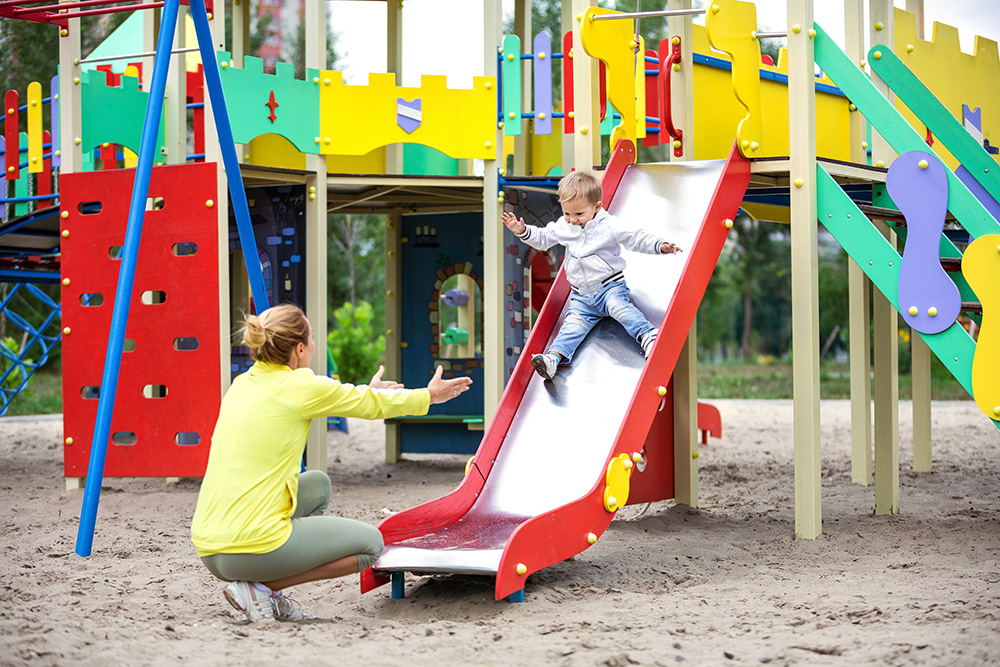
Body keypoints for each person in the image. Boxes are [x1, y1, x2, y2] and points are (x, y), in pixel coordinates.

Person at [190, 304, 472, 622]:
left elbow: (356, 398)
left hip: (209, 543)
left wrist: (368, 391)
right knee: (370, 546)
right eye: (311, 338)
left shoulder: (242, 383)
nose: (314, 345)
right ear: (299, 349)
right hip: (247, 545)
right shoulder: (302, 386)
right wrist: (429, 396)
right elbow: (366, 404)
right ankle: (263, 589)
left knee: (318, 485)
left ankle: (261, 588)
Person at [501, 170, 682, 381]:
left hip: (609, 288)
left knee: (621, 309)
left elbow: (636, 238)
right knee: (571, 327)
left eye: (578, 214)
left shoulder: (610, 226)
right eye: (567, 213)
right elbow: (542, 239)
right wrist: (522, 230)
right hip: (581, 298)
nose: (572, 219)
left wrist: (660, 246)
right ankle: (554, 359)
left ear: (597, 207)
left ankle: (648, 336)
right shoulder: (565, 225)